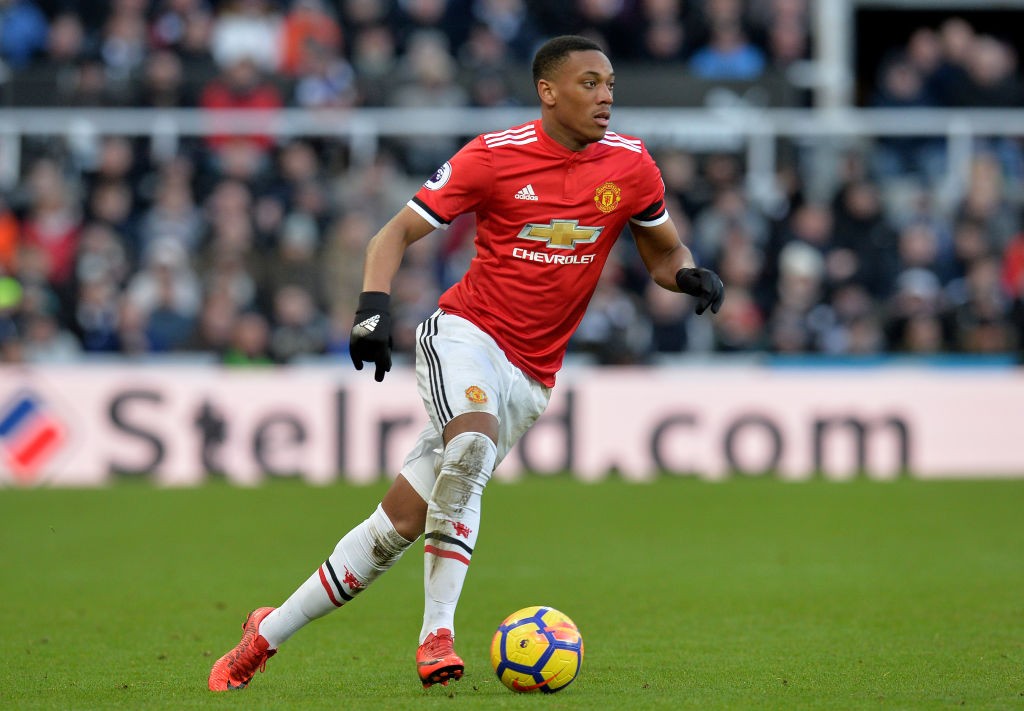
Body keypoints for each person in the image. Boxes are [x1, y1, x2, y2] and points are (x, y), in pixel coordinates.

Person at [207, 34, 724, 692]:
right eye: (590, 83)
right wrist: (372, 310)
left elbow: (663, 253)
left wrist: (688, 276)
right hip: (466, 335)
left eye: (610, 85)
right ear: (548, 91)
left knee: (397, 525)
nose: (605, 98)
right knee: (472, 445)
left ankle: (266, 632)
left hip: (531, 377)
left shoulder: (630, 165)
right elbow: (392, 233)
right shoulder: (493, 156)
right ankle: (437, 635)